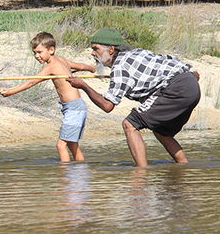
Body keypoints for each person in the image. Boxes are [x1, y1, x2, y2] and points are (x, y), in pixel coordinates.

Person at [67, 29, 201, 167]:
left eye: (96, 49)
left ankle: (141, 173)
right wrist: (190, 77)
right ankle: (184, 166)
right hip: (191, 86)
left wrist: (83, 85)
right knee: (161, 131)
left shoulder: (119, 67)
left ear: (111, 50)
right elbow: (173, 62)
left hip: (176, 89)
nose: (92, 53)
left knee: (129, 124)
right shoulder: (138, 52)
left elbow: (107, 105)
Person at [1, 32, 96, 162]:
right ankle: (79, 173)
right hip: (75, 107)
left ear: (51, 50)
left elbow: (31, 82)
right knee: (72, 144)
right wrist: (90, 68)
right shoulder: (61, 59)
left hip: (74, 109)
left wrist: (11, 91)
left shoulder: (50, 66)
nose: (36, 56)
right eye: (34, 52)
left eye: (39, 52)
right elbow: (79, 66)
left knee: (61, 144)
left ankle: (66, 176)